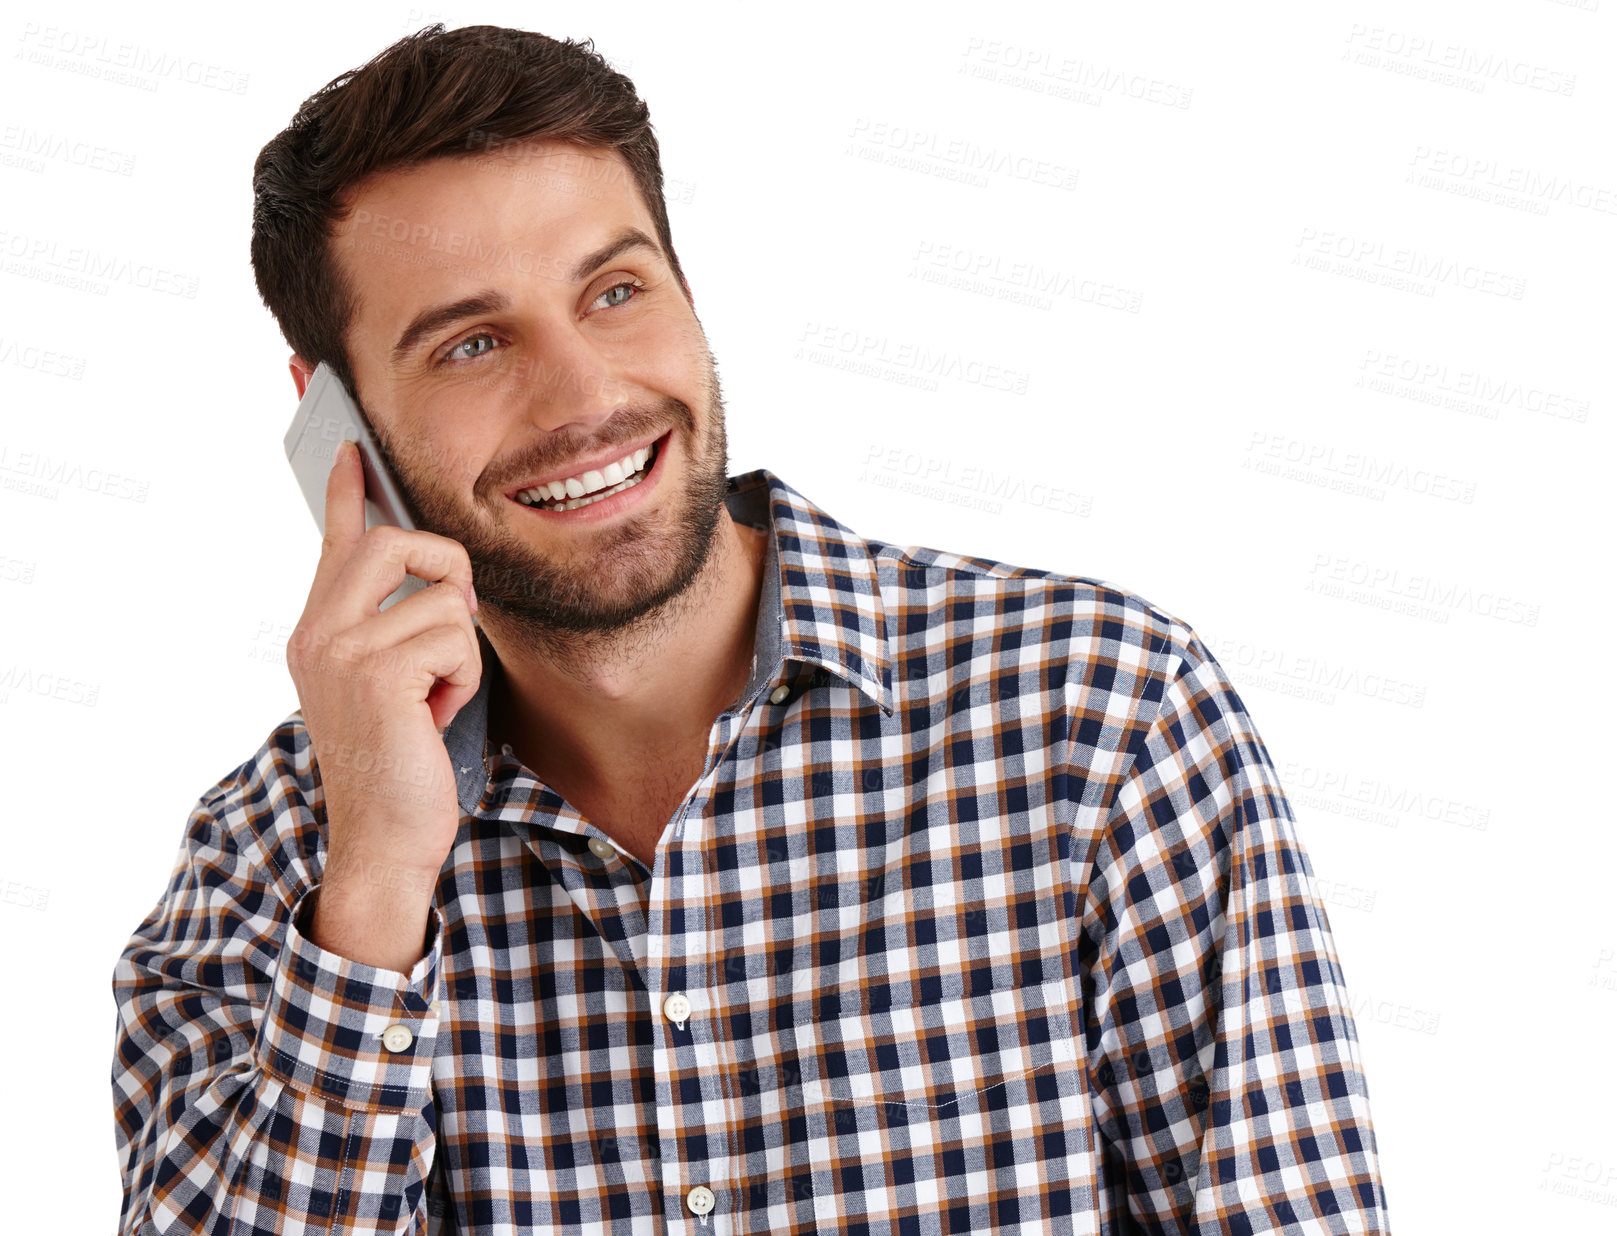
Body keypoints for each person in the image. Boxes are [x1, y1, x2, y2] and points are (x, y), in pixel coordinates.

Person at [112, 23, 1391, 1235]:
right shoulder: (273, 863)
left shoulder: (1101, 722)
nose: (589, 395)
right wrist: (380, 889)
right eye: (472, 343)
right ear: (333, 427)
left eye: (614, 291)